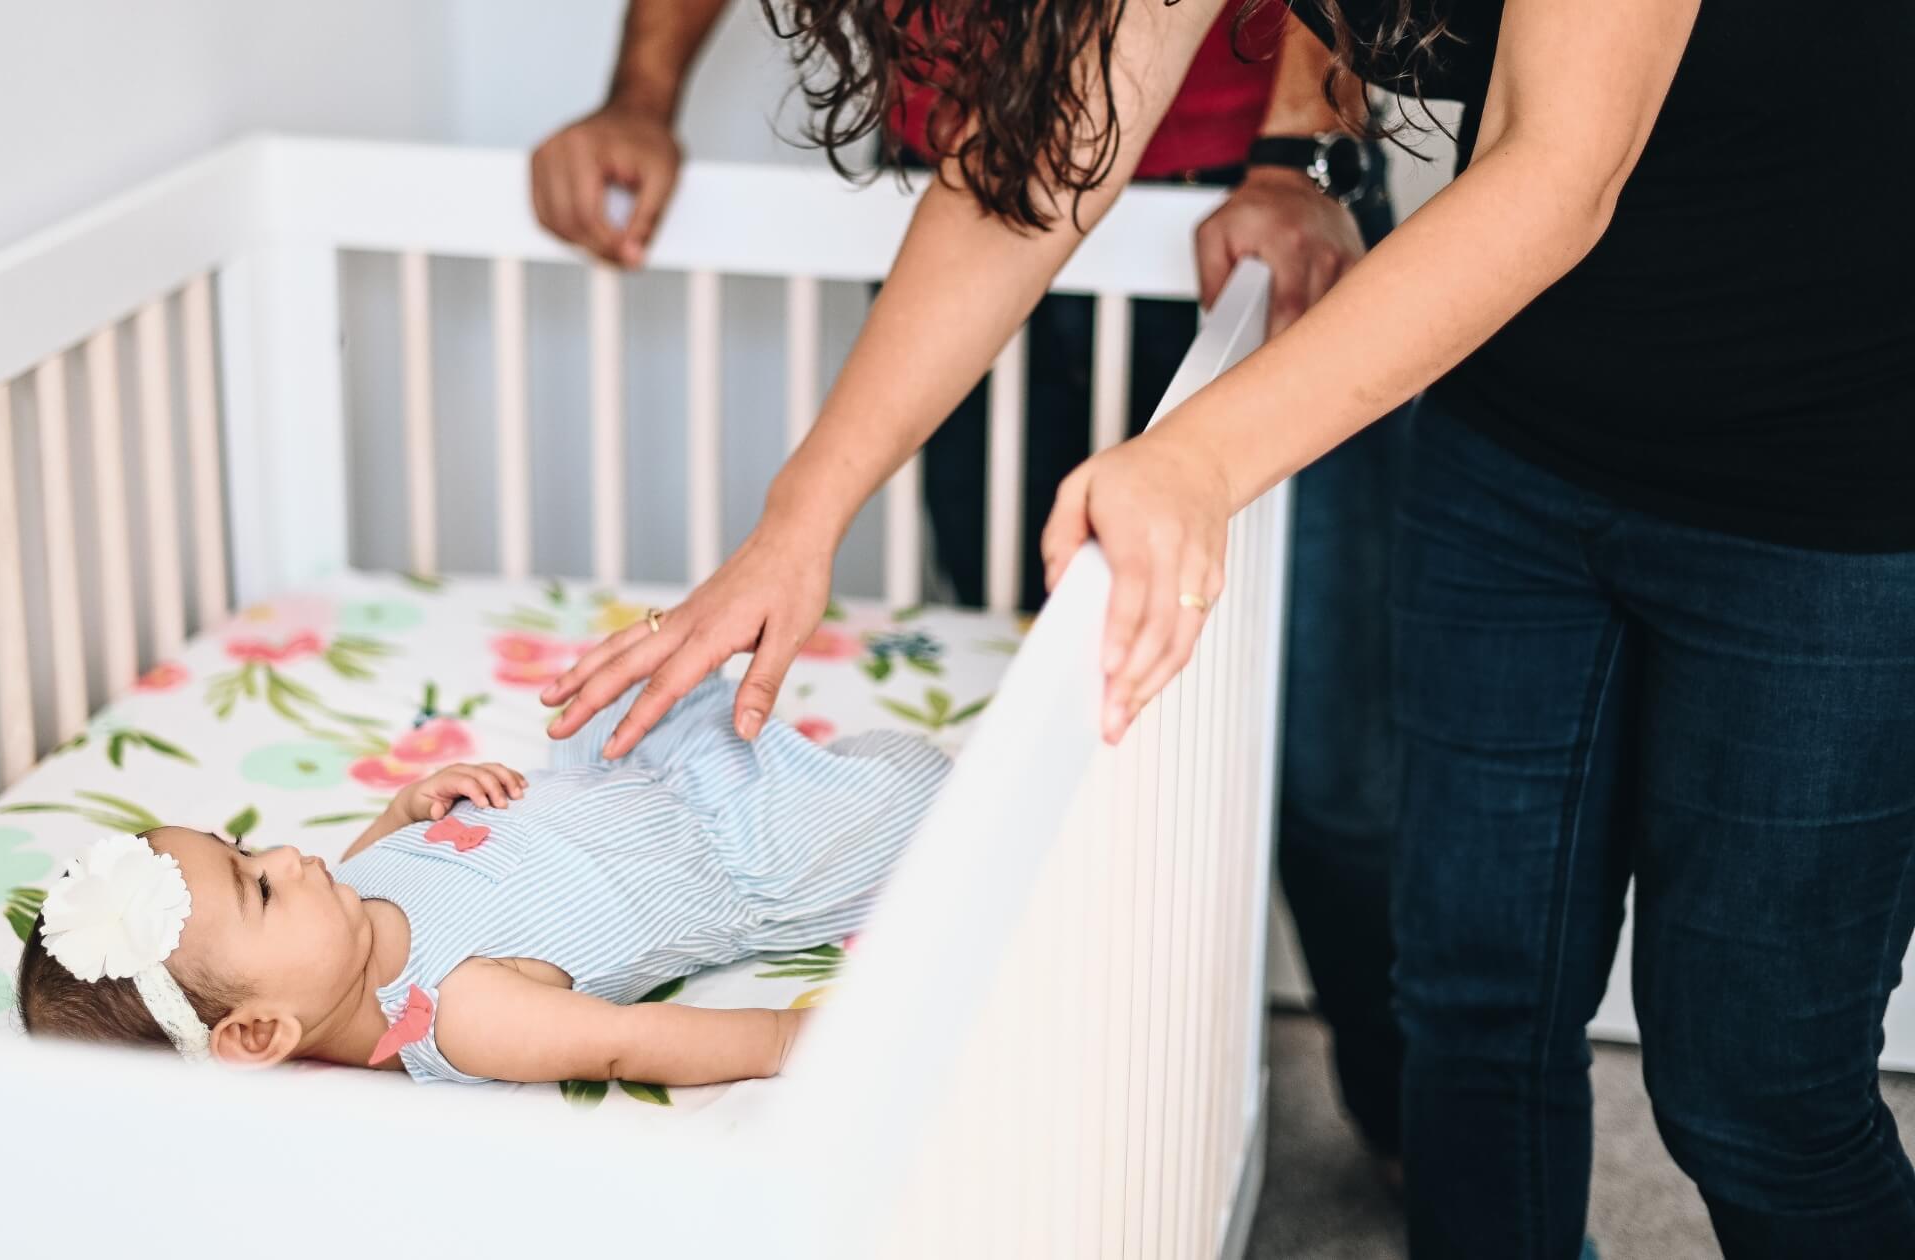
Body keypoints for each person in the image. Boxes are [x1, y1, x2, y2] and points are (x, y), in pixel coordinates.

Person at [540, 1, 1915, 1256]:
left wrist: (1199, 459)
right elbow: (1044, 155)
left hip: (1828, 490)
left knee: (1758, 1095)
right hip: (1523, 446)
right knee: (1476, 1023)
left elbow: (1558, 172)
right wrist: (802, 515)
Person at [531, 0, 1409, 1168]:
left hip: (1233, 185)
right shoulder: (1012, 146)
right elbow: (1033, 156)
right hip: (970, 191)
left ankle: (1417, 1125)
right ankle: (1073, 1118)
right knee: (1033, 707)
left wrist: (1302, 151)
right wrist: (794, 525)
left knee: (1331, 756)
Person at [16, 677, 944, 1085]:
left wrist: (415, 802)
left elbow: (380, 855)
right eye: (257, 887)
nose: (288, 858)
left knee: (621, 685)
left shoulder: (341, 915)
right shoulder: (458, 1012)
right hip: (738, 852)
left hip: (631, 783)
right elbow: (630, 1041)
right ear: (259, 1030)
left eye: (245, 848)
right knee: (924, 788)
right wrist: (791, 1042)